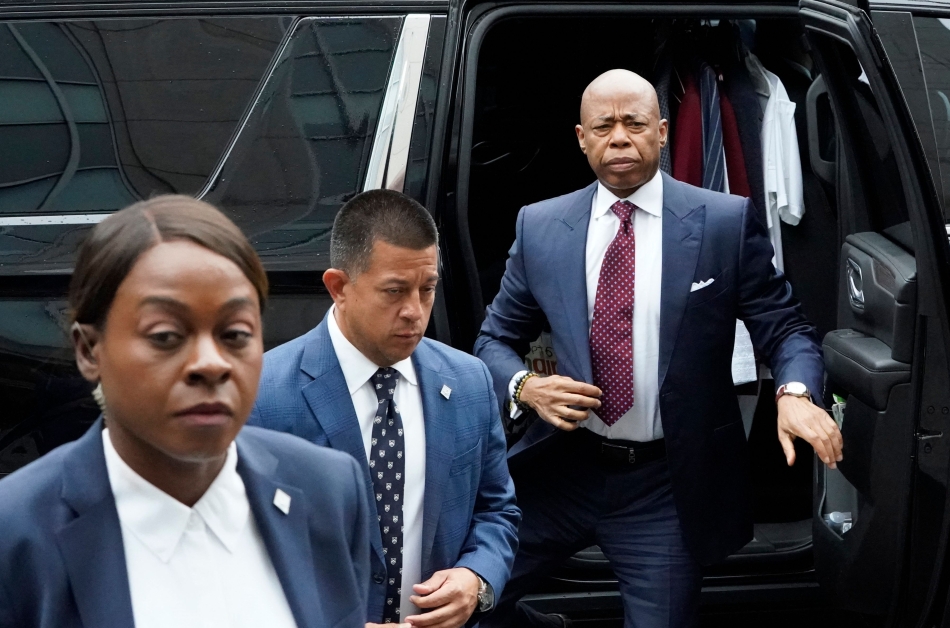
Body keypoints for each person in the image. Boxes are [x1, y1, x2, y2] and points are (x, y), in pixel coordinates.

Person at [474, 69, 843, 627]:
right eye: (603, 126)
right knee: (461, 597)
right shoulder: (542, 227)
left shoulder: (722, 221)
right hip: (562, 470)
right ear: (581, 137)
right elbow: (494, 338)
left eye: (634, 123)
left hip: (666, 484)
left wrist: (795, 392)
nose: (619, 138)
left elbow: (786, 328)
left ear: (664, 132)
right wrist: (526, 387)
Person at [0, 196, 371, 628]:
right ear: (89, 350)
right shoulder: (19, 534)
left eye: (235, 333)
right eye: (165, 335)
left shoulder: (329, 489)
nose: (210, 363)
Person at [249, 189, 519, 628]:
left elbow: (497, 511)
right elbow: (238, 551)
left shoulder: (468, 381)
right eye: (394, 291)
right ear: (338, 287)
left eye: (427, 289)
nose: (415, 311)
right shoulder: (264, 395)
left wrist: (476, 578)